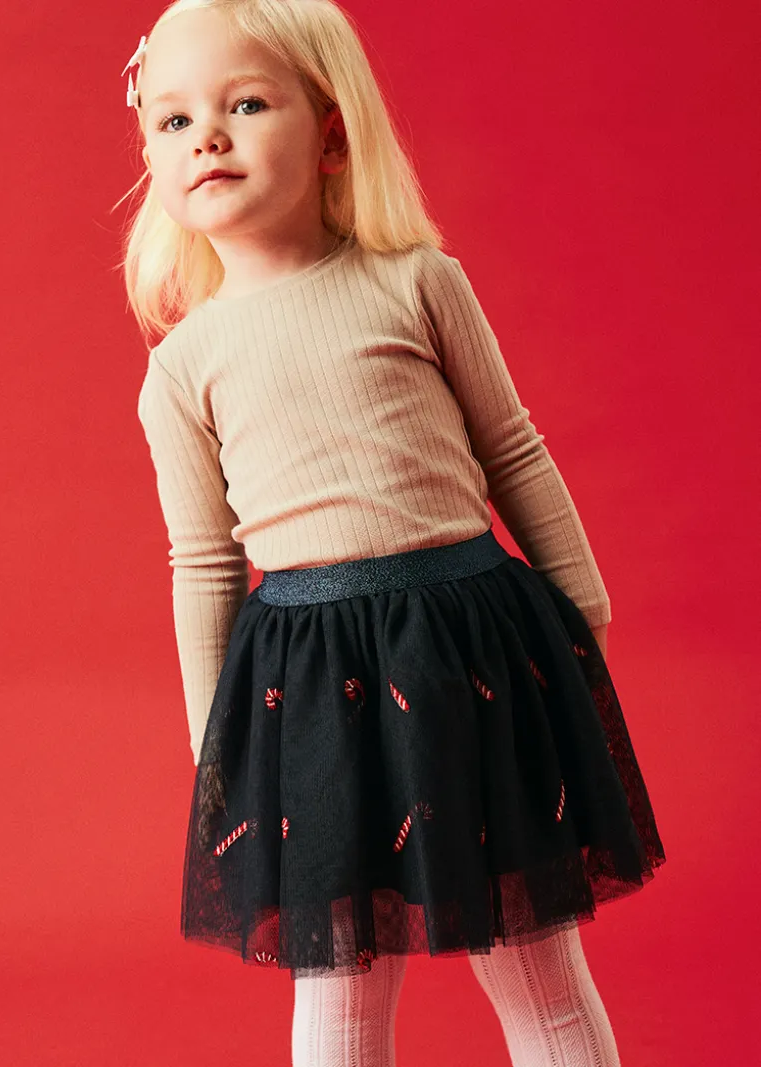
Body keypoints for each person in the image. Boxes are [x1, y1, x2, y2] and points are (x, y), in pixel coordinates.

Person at [121, 2, 667, 1064]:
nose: (208, 138)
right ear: (152, 158)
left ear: (331, 134)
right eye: (174, 120)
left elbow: (512, 449)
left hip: (470, 657)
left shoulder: (417, 281)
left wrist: (582, 610)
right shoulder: (181, 371)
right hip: (311, 688)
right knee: (340, 989)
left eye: (245, 104)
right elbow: (203, 564)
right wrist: (214, 743)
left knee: (541, 968)